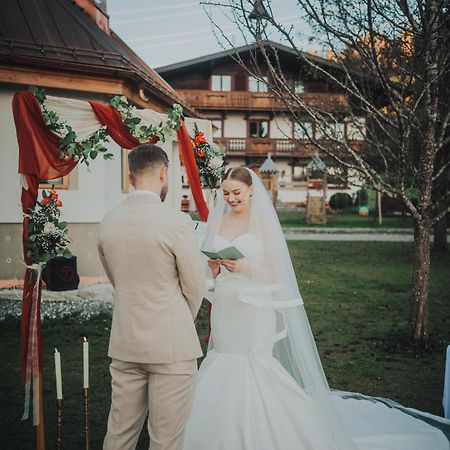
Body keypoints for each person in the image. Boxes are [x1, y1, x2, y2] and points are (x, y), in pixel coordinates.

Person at [183, 167, 450, 450]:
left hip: (256, 307)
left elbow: (276, 273)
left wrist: (244, 266)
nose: (231, 198)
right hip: (227, 305)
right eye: (225, 193)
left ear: (251, 190)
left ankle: (268, 430)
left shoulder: (262, 222)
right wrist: (213, 268)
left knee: (253, 363)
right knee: (224, 358)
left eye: (236, 192)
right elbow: (207, 270)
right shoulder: (216, 219)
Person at [98, 144, 205, 450]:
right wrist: (183, 319)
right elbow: (195, 284)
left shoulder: (108, 222)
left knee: (119, 435)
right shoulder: (176, 222)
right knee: (166, 440)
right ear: (163, 173)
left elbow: (117, 279)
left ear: (129, 176)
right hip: (172, 345)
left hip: (126, 342)